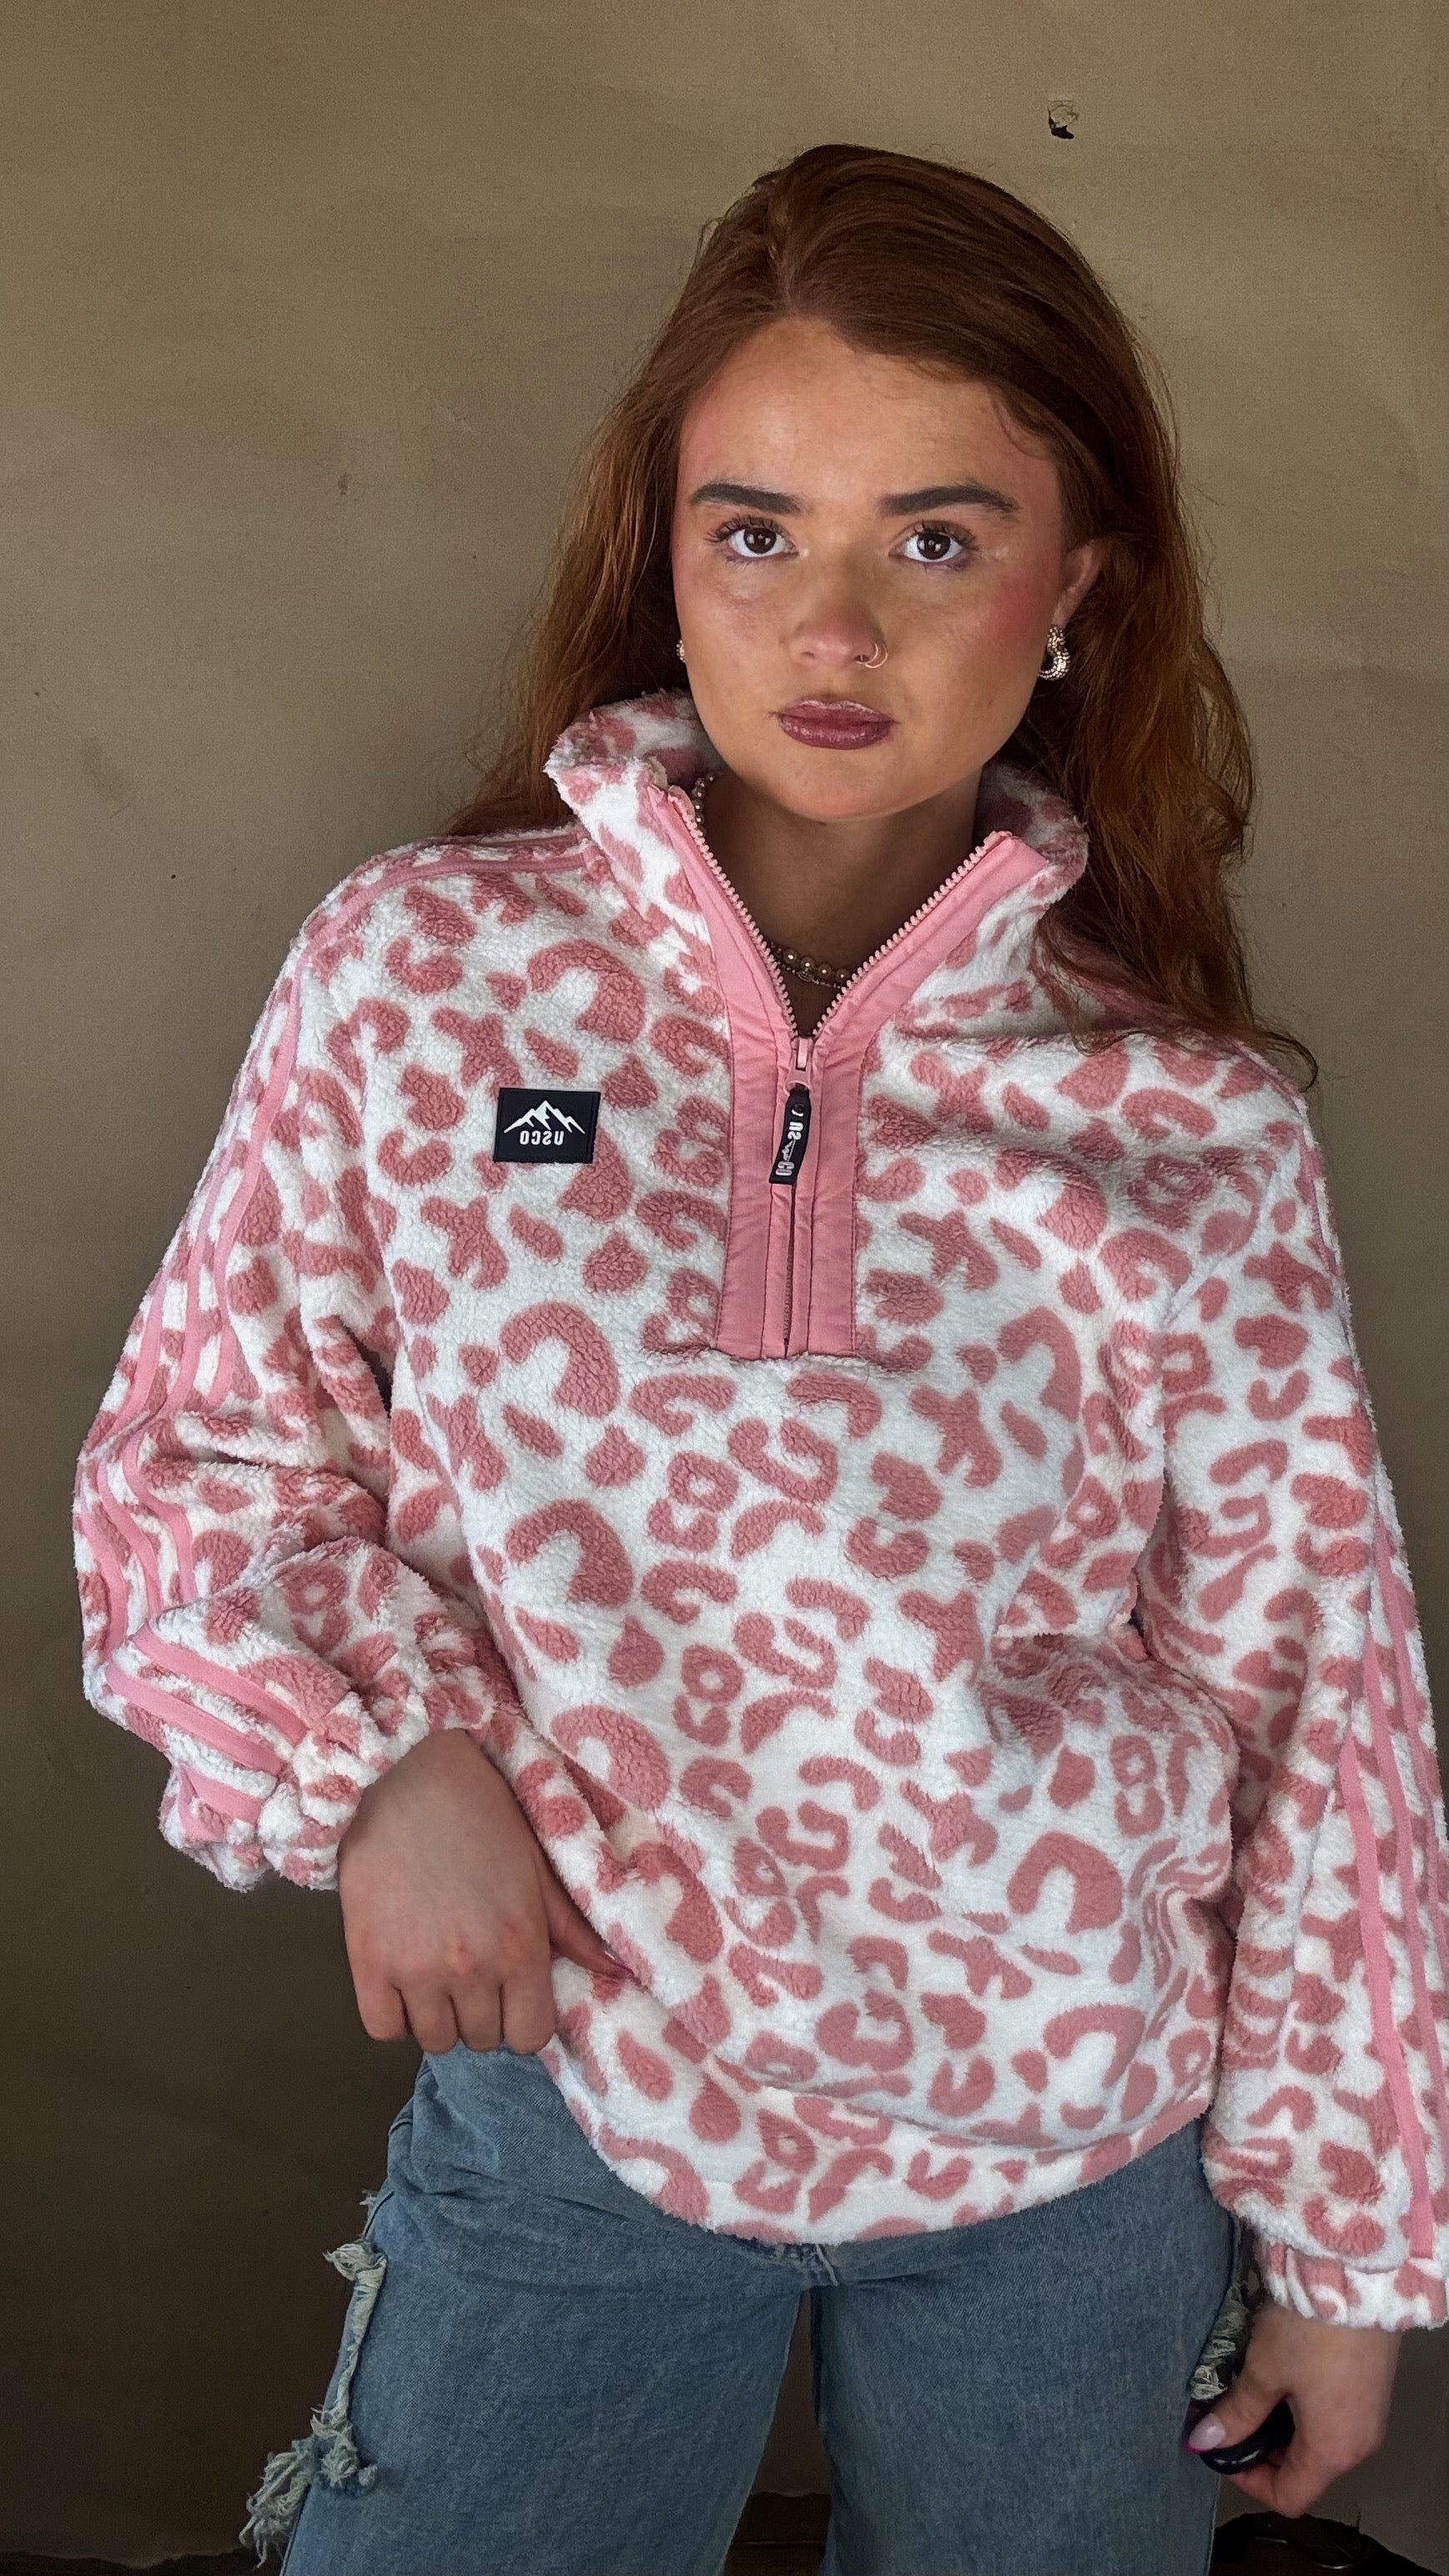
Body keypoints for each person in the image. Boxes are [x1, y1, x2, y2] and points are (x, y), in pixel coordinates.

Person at [73, 143, 1447, 2576]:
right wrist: (380, 1771)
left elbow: (1316, 1689)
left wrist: (1348, 2250)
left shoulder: (1185, 1121)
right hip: (579, 2096)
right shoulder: (420, 975)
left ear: (1075, 587)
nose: (832, 624)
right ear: (666, 555)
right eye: (755, 532)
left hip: (1078, 2154)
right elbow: (194, 1467)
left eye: (935, 538)